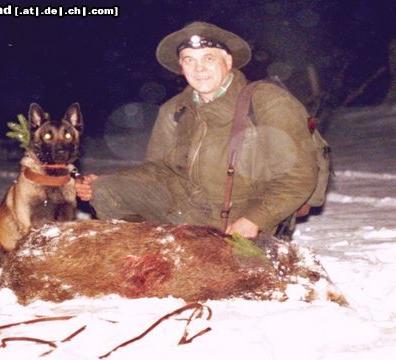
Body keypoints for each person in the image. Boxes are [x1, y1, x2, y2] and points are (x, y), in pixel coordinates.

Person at [76, 21, 320, 239]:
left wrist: (256, 219)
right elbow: (158, 169)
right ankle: (150, 252)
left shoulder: (267, 101)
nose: (199, 68)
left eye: (209, 58)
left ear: (228, 61)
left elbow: (298, 177)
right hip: (186, 208)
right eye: (189, 60)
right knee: (106, 190)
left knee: (233, 280)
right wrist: (109, 180)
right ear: (181, 67)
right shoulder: (174, 109)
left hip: (243, 217)